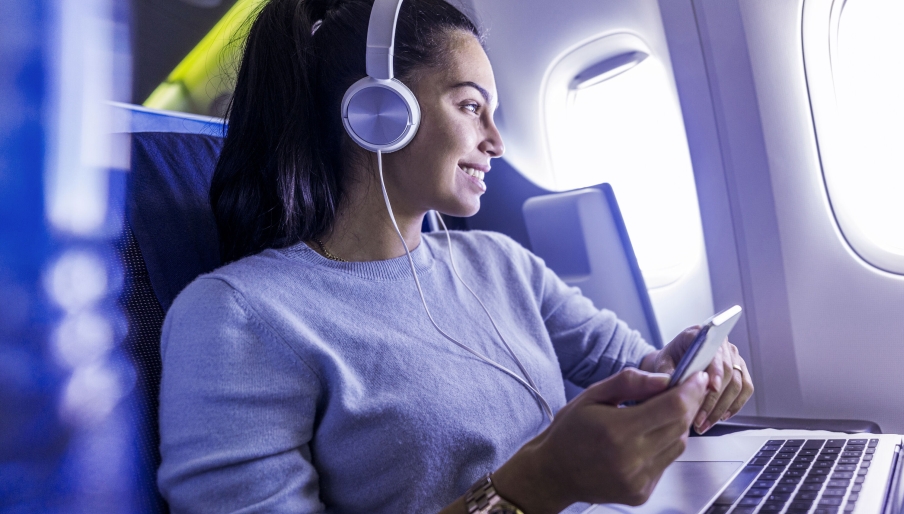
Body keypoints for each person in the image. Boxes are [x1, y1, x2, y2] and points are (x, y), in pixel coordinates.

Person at [156, 0, 754, 512]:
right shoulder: (237, 317)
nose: (495, 141)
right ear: (378, 112)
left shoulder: (500, 262)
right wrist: (540, 483)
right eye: (471, 106)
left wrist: (690, 371)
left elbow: (635, 369)